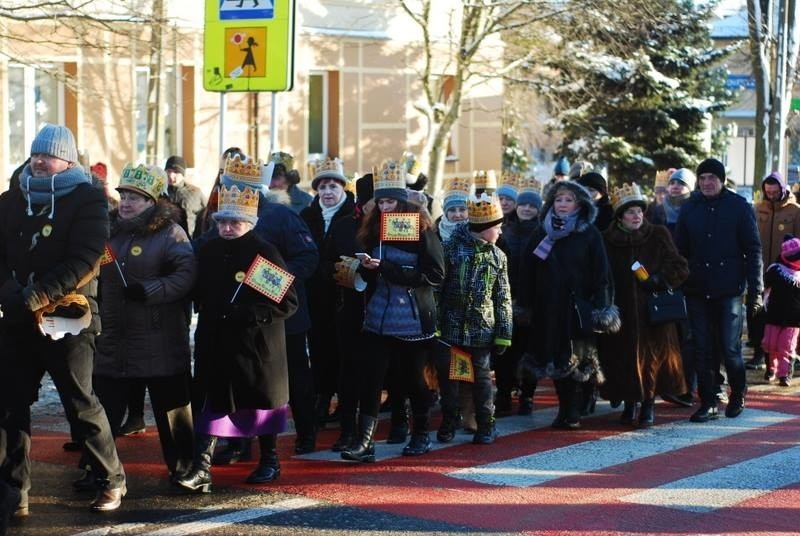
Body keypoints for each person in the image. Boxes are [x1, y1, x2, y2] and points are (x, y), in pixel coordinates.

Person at [0, 124, 126, 519]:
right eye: (36, 154)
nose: (39, 161)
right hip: (17, 316)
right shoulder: (11, 198)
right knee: (9, 407)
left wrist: (37, 295)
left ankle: (111, 479)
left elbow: (85, 258)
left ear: (68, 160)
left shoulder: (88, 200)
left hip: (67, 317)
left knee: (81, 403)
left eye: (48, 155)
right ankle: (11, 490)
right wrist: (9, 293)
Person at [176, 182, 298, 492]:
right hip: (215, 341)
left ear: (250, 223)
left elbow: (286, 302)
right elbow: (196, 287)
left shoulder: (264, 252)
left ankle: (269, 459)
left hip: (254, 346)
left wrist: (249, 314)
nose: (227, 228)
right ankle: (201, 467)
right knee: (212, 401)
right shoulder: (209, 249)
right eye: (222, 222)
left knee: (259, 403)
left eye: (235, 222)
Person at [202, 154, 318, 462]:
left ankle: (306, 433)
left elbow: (307, 257)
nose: (236, 192)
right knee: (241, 382)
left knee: (285, 380)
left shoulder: (281, 215)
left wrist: (269, 278)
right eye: (230, 186)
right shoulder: (221, 220)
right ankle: (239, 443)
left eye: (242, 187)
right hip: (235, 321)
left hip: (279, 318)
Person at [90, 163, 196, 483]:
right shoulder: (106, 231)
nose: (126, 202)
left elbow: (186, 275)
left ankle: (185, 467)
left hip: (158, 336)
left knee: (171, 409)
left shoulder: (171, 233)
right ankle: (94, 468)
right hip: (114, 336)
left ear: (152, 201)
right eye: (124, 195)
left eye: (135, 197)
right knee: (102, 410)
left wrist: (150, 290)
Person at [341, 160, 444, 462]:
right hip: (377, 317)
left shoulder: (423, 229)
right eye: (380, 201)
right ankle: (364, 442)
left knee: (413, 379)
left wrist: (386, 267)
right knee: (370, 378)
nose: (384, 207)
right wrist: (361, 269)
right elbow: (374, 274)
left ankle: (421, 433)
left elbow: (435, 274)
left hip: (411, 318)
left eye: (389, 201)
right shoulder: (372, 229)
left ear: (402, 201)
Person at [517, 180, 619, 430]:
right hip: (547, 306)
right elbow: (527, 270)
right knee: (554, 359)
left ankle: (573, 409)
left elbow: (602, 273)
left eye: (568, 200)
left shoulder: (590, 233)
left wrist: (602, 307)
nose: (562, 205)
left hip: (577, 307)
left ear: (579, 204)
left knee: (576, 358)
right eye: (558, 200)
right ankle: (567, 408)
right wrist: (525, 304)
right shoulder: (542, 231)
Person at [674, 158, 763, 423]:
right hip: (697, 288)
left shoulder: (738, 206)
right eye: (702, 178)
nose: (706, 183)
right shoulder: (690, 208)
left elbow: (753, 249)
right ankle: (709, 400)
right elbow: (680, 251)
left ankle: (737, 393)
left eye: (712, 178)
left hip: (729, 290)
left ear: (721, 180)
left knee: (729, 347)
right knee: (702, 348)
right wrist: (678, 281)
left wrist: (755, 289)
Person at [598, 183, 689, 427]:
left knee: (653, 360)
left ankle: (648, 405)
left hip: (653, 313)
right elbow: (599, 273)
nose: (636, 216)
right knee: (622, 357)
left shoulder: (658, 234)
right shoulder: (607, 240)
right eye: (630, 212)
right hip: (622, 311)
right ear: (620, 217)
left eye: (639, 211)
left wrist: (659, 279)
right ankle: (630, 402)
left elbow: (679, 267)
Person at [436, 193, 512, 444]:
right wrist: (435, 325)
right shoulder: (451, 250)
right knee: (451, 380)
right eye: (497, 228)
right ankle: (448, 422)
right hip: (452, 328)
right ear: (483, 229)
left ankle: (486, 425)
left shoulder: (498, 257)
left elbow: (502, 298)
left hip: (482, 330)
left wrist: (503, 333)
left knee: (482, 380)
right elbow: (438, 290)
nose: (500, 232)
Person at [300, 157, 355, 430]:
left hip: (344, 295)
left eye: (333, 185)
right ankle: (322, 397)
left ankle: (345, 400)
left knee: (343, 349)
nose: (328, 192)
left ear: (343, 188)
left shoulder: (353, 216)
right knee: (319, 348)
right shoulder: (307, 216)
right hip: (314, 294)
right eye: (322, 187)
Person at [319, 173, 373, 452]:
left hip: (383, 307)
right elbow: (325, 260)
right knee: (348, 369)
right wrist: (341, 271)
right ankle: (348, 429)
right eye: (374, 202)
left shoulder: (398, 227)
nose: (379, 208)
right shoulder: (343, 227)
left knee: (377, 371)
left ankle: (372, 431)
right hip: (347, 306)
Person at [493, 179, 541, 416]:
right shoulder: (505, 231)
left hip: (532, 301)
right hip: (506, 299)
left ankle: (527, 395)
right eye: (523, 205)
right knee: (505, 352)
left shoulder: (543, 232)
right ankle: (503, 393)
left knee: (529, 350)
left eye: (532, 206)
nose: (527, 209)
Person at [750, 171, 800, 372]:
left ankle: (789, 355)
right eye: (767, 191)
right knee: (758, 312)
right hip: (761, 269)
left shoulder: (795, 211)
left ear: (782, 189)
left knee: (787, 315)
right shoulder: (757, 209)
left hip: (787, 273)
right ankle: (759, 353)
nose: (770, 194)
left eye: (774, 190)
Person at [761, 235, 800, 386]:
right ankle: (771, 369)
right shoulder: (775, 270)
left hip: (793, 319)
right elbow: (765, 288)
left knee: (786, 347)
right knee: (769, 344)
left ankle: (784, 375)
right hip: (773, 314)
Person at [164, 155, 206, 239]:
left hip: (190, 240)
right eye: (169, 171)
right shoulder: (161, 192)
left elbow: (206, 216)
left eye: (176, 172)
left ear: (183, 174)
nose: (171, 176)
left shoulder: (195, 193)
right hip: (166, 240)